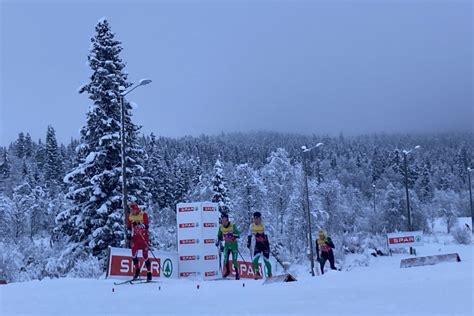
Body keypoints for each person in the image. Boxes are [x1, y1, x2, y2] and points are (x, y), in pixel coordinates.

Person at [126, 202, 152, 281]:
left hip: (144, 237)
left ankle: (149, 273)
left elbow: (146, 226)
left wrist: (138, 224)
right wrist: (129, 235)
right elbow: (129, 227)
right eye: (130, 210)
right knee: (133, 255)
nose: (131, 211)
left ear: (136, 209)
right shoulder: (130, 216)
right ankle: (137, 270)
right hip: (136, 238)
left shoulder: (143, 214)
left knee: (145, 256)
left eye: (132, 210)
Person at [247, 212, 272, 279]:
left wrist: (261, 235)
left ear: (260, 219)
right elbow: (249, 234)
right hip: (258, 245)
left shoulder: (264, 225)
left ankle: (269, 274)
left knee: (266, 260)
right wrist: (248, 242)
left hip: (265, 244)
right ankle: (257, 273)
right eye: (254, 218)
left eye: (257, 218)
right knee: (255, 260)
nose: (256, 220)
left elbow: (267, 233)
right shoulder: (252, 226)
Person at [217, 213, 241, 280]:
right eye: (222, 220)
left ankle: (237, 274)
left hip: (234, 245)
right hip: (227, 245)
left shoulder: (233, 226)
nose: (223, 222)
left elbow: (238, 234)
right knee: (225, 259)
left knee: (234, 260)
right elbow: (219, 236)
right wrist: (218, 241)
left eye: (225, 220)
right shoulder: (221, 227)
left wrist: (233, 235)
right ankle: (227, 271)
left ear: (227, 220)